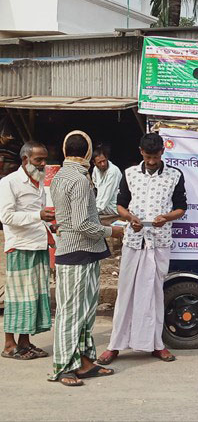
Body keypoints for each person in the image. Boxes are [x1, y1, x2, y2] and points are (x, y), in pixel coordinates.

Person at [98, 133, 187, 365]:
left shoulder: (174, 175)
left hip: (159, 240)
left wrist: (165, 218)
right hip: (134, 240)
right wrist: (130, 218)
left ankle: (156, 345)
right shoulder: (129, 174)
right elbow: (120, 205)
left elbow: (181, 208)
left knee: (155, 293)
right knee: (126, 293)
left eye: (155, 157)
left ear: (162, 153)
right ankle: (114, 345)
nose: (151, 161)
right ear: (141, 152)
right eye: (148, 157)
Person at [49, 131, 123, 386]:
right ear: (89, 153)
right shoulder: (79, 180)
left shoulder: (61, 175)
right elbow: (82, 223)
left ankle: (84, 361)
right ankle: (65, 367)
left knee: (84, 312)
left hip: (83, 250)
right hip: (76, 250)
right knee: (71, 313)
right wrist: (112, 230)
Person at [0, 141, 55, 361]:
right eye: (38, 160)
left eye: (44, 159)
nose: (42, 164)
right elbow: (6, 217)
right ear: (25, 160)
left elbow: (41, 214)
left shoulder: (40, 183)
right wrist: (38, 217)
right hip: (20, 246)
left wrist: (50, 226)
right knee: (17, 298)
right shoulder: (9, 183)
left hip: (38, 244)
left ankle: (25, 342)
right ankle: (9, 344)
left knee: (32, 298)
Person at [91, 144, 122, 217]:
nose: (102, 164)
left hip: (113, 206)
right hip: (101, 204)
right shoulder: (95, 169)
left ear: (107, 158)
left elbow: (106, 197)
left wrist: (93, 211)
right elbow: (97, 186)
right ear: (94, 163)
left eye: (104, 161)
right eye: (99, 162)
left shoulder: (113, 171)